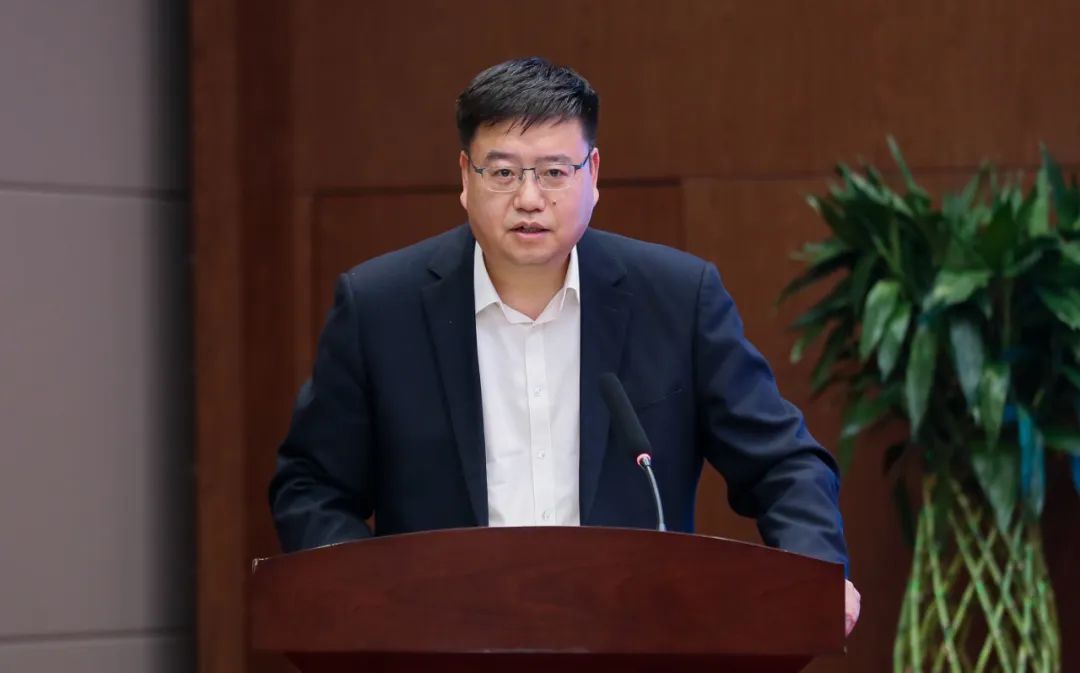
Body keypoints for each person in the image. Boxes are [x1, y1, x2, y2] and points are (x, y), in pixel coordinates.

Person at [269, 57, 861, 635]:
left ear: (592, 174)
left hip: (637, 640)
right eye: (503, 173)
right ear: (465, 177)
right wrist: (367, 598)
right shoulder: (380, 308)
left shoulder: (678, 299)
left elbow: (784, 464)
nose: (529, 198)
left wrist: (812, 575)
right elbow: (312, 485)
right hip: (443, 642)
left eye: (554, 172)